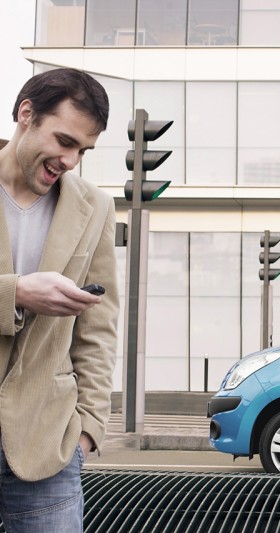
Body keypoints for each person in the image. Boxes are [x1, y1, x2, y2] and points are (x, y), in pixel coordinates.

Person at [0, 68, 119, 531]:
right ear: (26, 114)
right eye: (65, 141)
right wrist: (16, 292)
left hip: (49, 447)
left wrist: (88, 428)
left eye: (83, 151)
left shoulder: (97, 207)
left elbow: (98, 328)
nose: (71, 161)